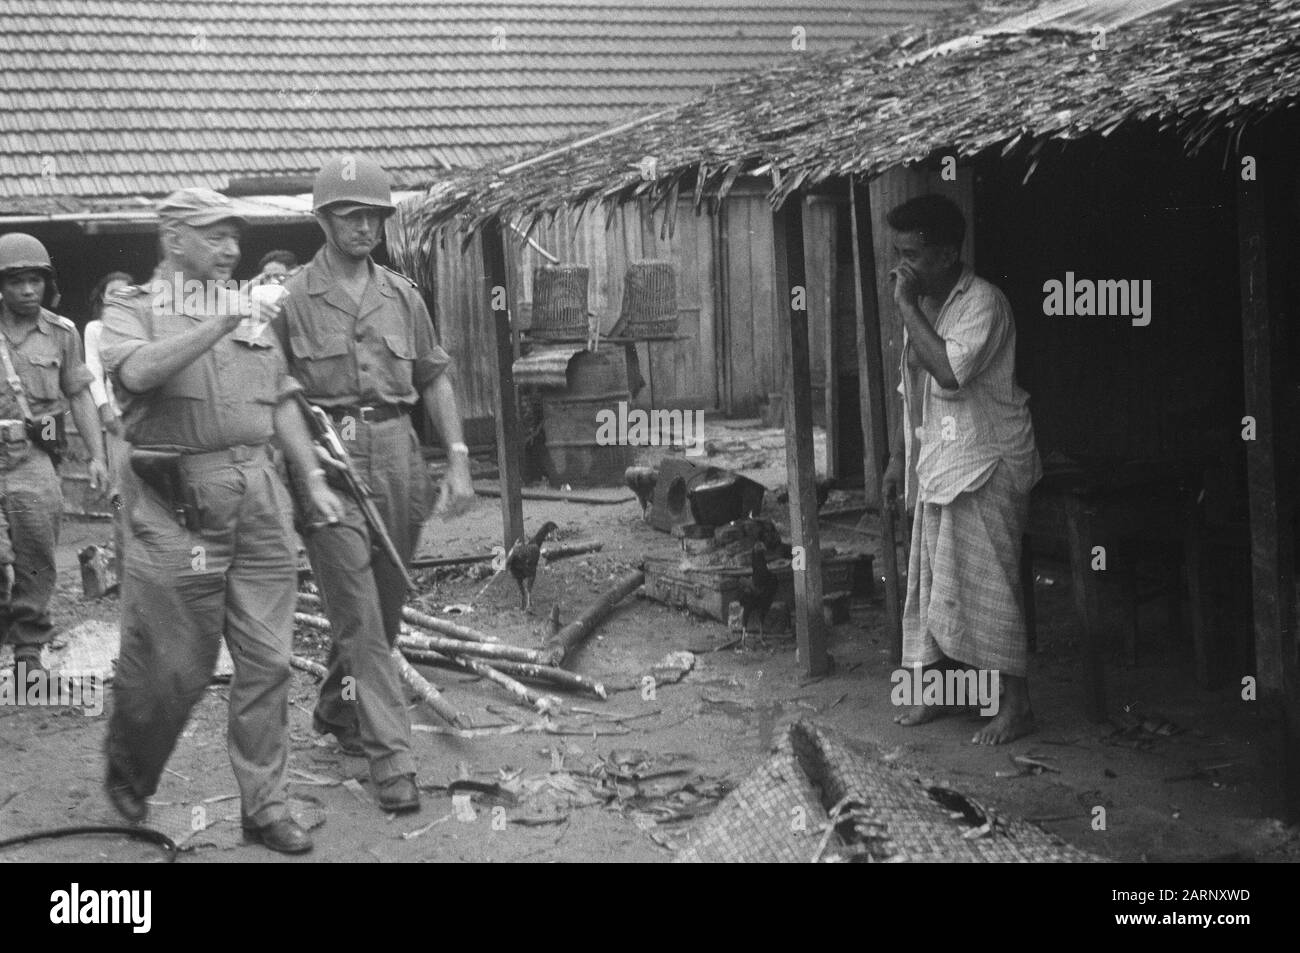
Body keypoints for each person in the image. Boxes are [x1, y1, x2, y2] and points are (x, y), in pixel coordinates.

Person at [100, 188, 344, 853]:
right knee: (177, 666)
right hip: (175, 495)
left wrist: (313, 477)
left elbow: (283, 394)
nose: (231, 249)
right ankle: (132, 766)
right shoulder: (132, 307)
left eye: (235, 236)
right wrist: (217, 319)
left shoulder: (250, 307)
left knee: (269, 660)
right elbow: (140, 371)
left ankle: (264, 808)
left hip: (260, 492)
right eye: (214, 235)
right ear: (174, 238)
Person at [275, 155, 475, 814]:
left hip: (399, 456)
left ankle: (337, 703)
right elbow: (280, 398)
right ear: (324, 219)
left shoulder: (402, 294)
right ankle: (392, 763)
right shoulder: (294, 301)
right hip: (331, 462)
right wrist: (308, 476)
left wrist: (459, 458)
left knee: (382, 612)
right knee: (360, 618)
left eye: (374, 215)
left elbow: (434, 377)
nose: (364, 226)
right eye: (349, 214)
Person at [880, 195, 1041, 746]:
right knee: (936, 586)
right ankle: (945, 693)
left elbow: (949, 372)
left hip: (987, 460)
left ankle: (1016, 705)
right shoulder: (926, 305)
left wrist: (905, 306)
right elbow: (913, 389)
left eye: (914, 254)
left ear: (949, 252)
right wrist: (899, 459)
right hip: (940, 461)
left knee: (990, 585)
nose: (902, 267)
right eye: (897, 253)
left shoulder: (983, 303)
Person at [0, 233, 108, 682]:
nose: (28, 290)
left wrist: (97, 457)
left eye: (35, 281)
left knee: (37, 551)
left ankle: (27, 645)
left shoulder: (62, 334)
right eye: (17, 281)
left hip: (32, 459)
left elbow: (79, 395)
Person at [83, 271, 134, 574]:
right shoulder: (95, 329)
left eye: (126, 292)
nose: (118, 297)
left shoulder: (142, 325)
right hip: (117, 422)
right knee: (119, 493)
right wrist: (104, 409)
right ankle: (124, 556)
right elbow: (93, 370)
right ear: (102, 296)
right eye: (112, 292)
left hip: (147, 420)